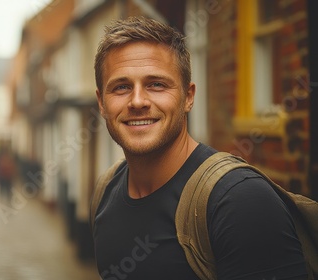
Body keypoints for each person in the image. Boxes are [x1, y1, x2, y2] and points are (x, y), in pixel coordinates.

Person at [92, 16, 308, 279]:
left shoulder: (240, 202)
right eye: (122, 87)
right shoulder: (106, 189)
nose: (138, 101)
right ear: (102, 103)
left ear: (188, 97)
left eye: (156, 84)